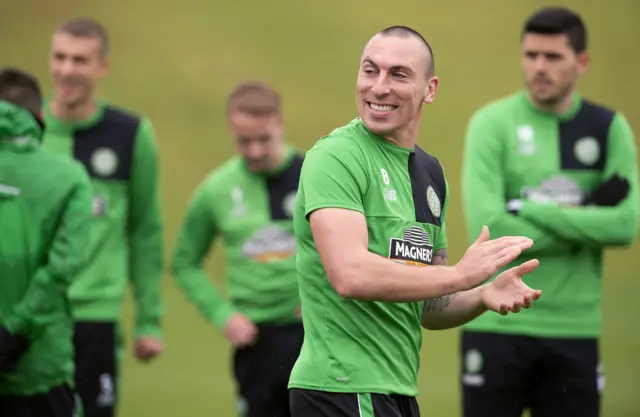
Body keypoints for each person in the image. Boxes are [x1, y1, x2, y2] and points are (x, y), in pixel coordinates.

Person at [287, 25, 544, 417]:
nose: (378, 87)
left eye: (398, 74)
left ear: (430, 89)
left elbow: (429, 304)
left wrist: (481, 295)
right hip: (340, 389)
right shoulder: (336, 157)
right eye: (370, 71)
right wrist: (462, 276)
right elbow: (350, 274)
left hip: (396, 391)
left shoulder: (428, 172)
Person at [459, 7, 639, 417]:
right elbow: (491, 228)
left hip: (573, 328)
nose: (539, 67)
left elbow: (625, 226)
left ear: (582, 62)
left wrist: (530, 208)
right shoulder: (491, 124)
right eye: (531, 55)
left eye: (553, 57)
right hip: (495, 323)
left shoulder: (608, 128)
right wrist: (589, 217)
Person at [41, 17, 165, 417]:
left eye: (80, 60)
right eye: (59, 57)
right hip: (32, 317)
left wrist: (149, 320)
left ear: (102, 67)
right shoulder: (25, 131)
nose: (66, 70)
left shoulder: (130, 134)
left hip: (94, 316)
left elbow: (145, 231)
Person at [171, 81, 305, 417]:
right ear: (231, 129)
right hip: (255, 341)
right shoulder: (216, 190)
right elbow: (184, 263)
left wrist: (326, 297)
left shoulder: (314, 177)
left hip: (315, 334)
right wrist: (222, 314)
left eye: (264, 139)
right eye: (244, 141)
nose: (256, 151)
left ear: (280, 124)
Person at [0, 67, 93, 417]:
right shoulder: (69, 178)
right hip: (37, 368)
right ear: (39, 117)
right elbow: (62, 267)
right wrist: (12, 335)